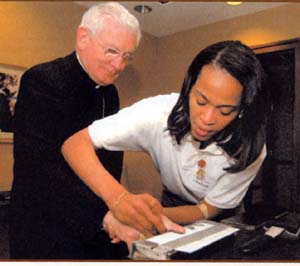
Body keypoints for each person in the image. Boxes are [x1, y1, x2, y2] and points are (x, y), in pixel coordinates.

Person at [61, 40, 269, 250]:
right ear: (189, 88)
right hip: (170, 202)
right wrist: (120, 201)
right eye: (200, 101)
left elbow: (207, 210)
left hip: (222, 213)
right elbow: (75, 144)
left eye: (224, 111)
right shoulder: (157, 114)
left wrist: (142, 217)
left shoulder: (250, 146)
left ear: (242, 110)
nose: (207, 118)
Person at [9, 2, 164, 260]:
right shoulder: (42, 80)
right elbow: (42, 169)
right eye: (112, 51)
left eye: (127, 56)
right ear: (83, 38)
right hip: (45, 230)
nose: (119, 65)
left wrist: (119, 207)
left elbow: (109, 163)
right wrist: (106, 215)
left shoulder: (110, 93)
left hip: (97, 227)